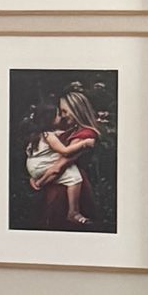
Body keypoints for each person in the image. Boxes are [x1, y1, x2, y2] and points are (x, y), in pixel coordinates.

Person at [27, 89, 101, 228]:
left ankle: (73, 213)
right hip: (60, 185)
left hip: (65, 189)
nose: (62, 116)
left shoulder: (83, 135)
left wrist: (39, 182)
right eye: (60, 112)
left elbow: (59, 167)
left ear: (76, 111)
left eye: (65, 112)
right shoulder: (71, 130)